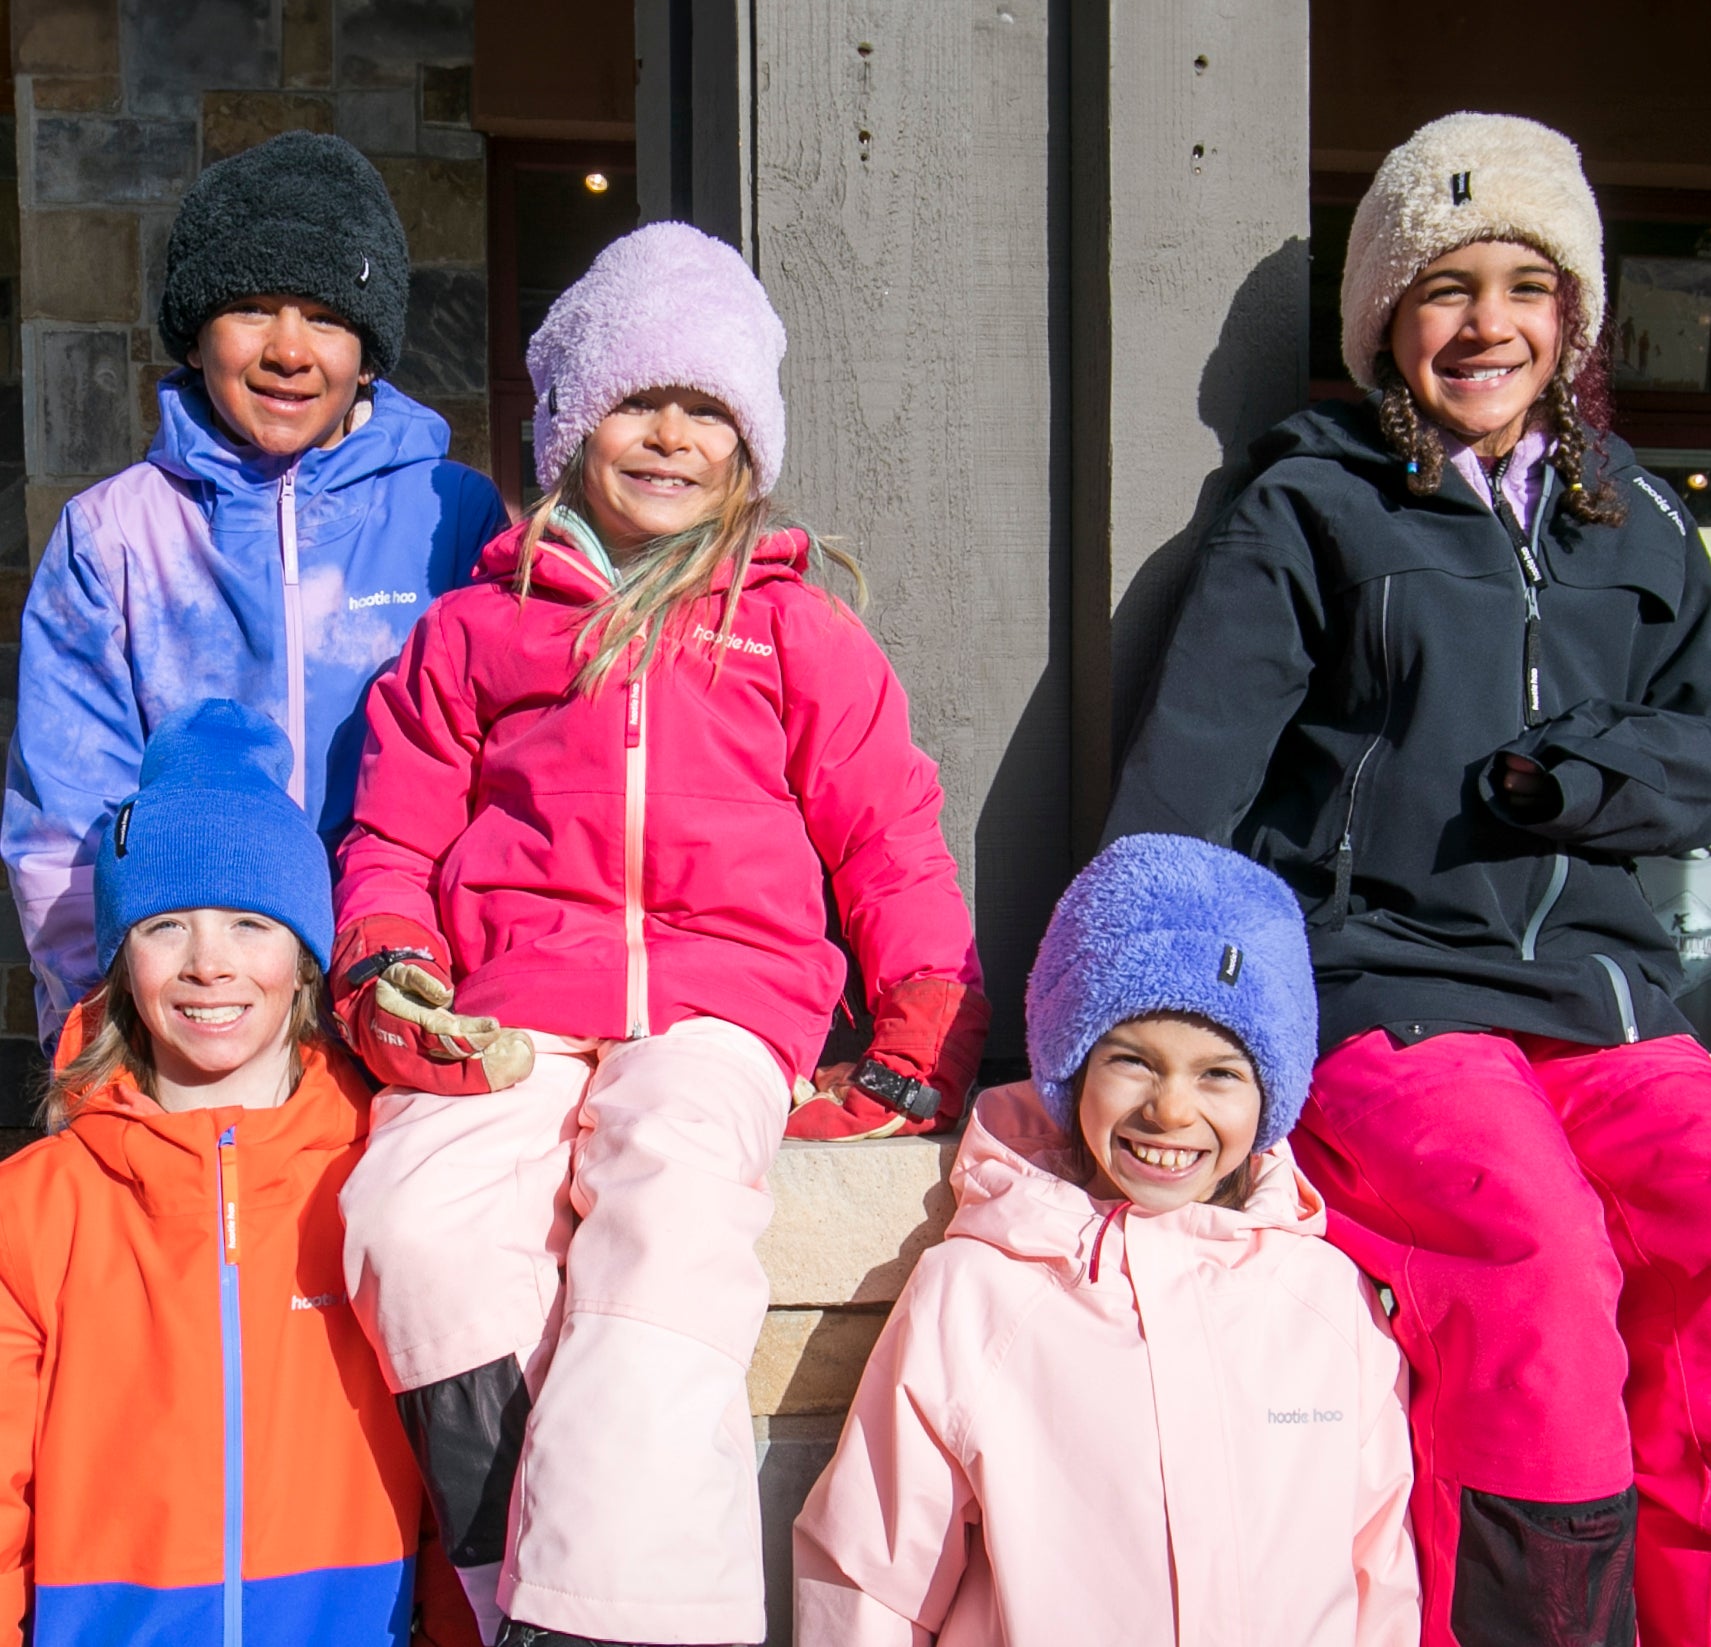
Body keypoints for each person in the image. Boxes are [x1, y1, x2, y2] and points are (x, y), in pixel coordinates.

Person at [328, 221, 989, 1647]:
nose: (671, 435)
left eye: (706, 408)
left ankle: (619, 1619)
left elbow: (889, 833)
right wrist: (388, 956)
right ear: (573, 425)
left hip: (718, 1007)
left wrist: (924, 1014)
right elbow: (395, 829)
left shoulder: (793, 629)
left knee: (668, 1211)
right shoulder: (478, 629)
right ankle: (522, 1583)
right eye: (637, 400)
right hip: (510, 1008)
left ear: (748, 444)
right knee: (406, 1218)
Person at [1103, 112, 1711, 1646]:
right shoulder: (1312, 503)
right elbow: (1188, 785)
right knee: (1533, 1251)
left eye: (1524, 285)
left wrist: (1580, 776)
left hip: (1606, 995)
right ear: (1384, 315)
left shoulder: (1640, 519)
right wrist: (1127, 1029)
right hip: (1387, 985)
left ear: (1570, 314)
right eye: (1445, 287)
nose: (1485, 324)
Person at [793, 833, 1419, 1645]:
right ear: (1071, 1065)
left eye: (1218, 1072)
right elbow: (874, 1572)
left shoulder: (1324, 1299)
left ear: (1270, 1094)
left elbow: (1378, 1563)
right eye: (1132, 1060)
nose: (1170, 1108)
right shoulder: (978, 1292)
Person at [2, 131, 505, 1047]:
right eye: (250, 308)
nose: (288, 350)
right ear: (197, 334)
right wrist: (97, 1034)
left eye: (325, 316)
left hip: (406, 996)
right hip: (196, 1017)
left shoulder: (454, 517)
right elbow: (67, 827)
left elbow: (510, 776)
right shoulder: (114, 536)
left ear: (369, 350)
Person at [0, 701, 477, 1647]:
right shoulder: (34, 1208)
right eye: (165, 925)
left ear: (303, 960)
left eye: (251, 923)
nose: (209, 964)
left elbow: (455, 1478)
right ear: (121, 958)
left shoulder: (386, 1187)